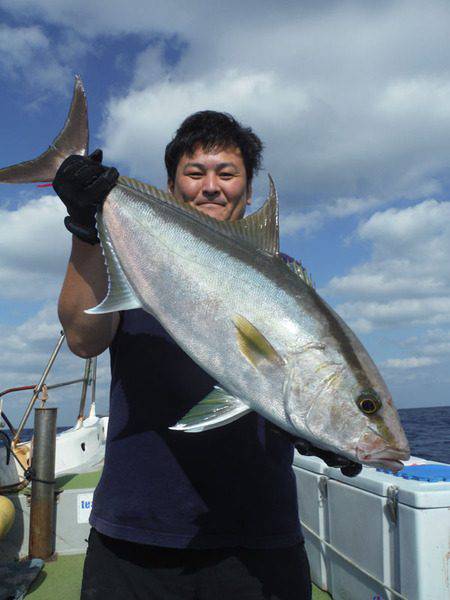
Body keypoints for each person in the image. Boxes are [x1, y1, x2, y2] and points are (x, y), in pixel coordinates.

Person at [55, 111, 312, 599]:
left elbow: (303, 376)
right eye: (194, 173)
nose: (211, 186)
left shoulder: (285, 276)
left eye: (227, 173)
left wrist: (320, 431)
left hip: (258, 534)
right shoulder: (128, 255)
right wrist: (85, 228)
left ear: (249, 191)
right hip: (136, 528)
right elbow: (84, 339)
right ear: (172, 187)